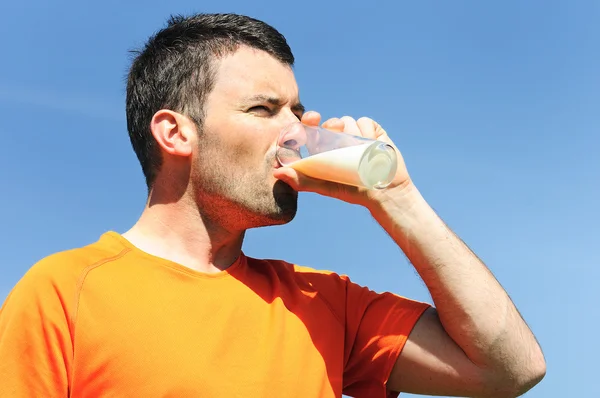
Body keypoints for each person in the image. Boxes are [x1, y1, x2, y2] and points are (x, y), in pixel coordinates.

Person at [0, 13, 545, 398]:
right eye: (265, 109)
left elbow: (509, 371)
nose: (298, 130)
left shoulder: (325, 303)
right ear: (175, 133)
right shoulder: (63, 293)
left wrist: (398, 200)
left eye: (298, 110)